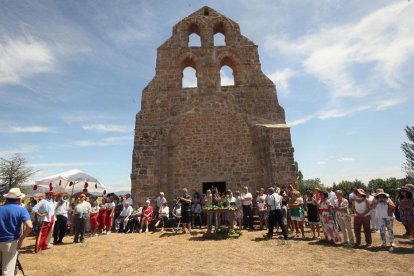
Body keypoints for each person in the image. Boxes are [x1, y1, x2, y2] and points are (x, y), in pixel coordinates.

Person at [0, 188, 33, 276]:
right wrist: (21, 240)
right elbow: (29, 226)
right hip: (10, 242)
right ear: (19, 200)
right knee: (7, 270)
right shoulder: (21, 210)